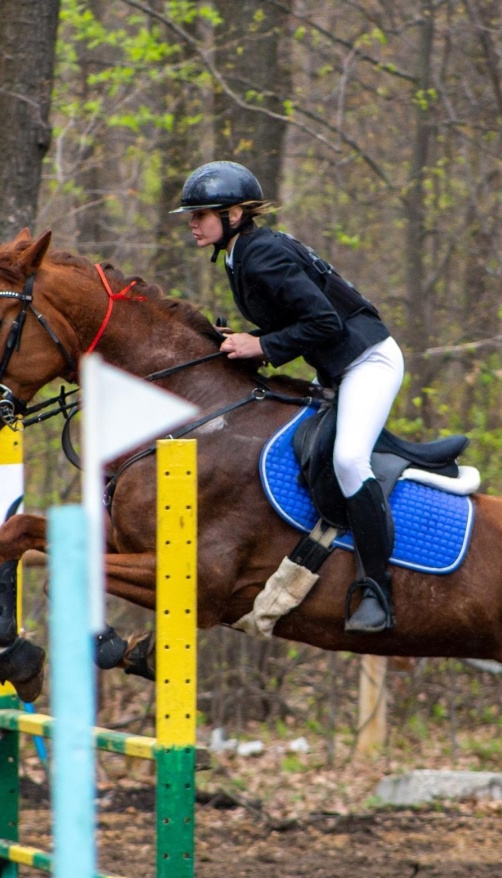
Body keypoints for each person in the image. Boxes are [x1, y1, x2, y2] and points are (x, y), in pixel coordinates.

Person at [172, 160, 403, 633]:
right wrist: (247, 337)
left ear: (234, 215)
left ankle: (377, 590)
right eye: (191, 215)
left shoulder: (261, 255)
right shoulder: (243, 254)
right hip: (341, 367)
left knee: (349, 461)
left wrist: (260, 345)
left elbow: (325, 323)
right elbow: (295, 321)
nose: (193, 223)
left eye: (201, 214)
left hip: (368, 363)